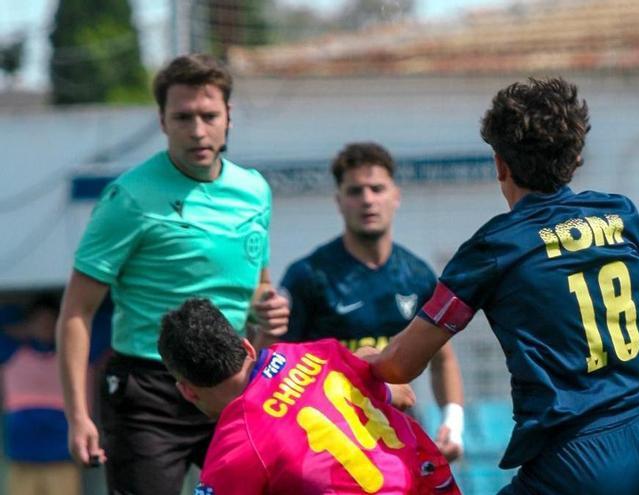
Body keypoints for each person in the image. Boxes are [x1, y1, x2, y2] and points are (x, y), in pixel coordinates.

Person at [364, 77, 639, 495]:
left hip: (578, 464)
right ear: (576, 158)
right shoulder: (620, 217)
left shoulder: (495, 247)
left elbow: (401, 364)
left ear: (500, 165)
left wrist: (368, 361)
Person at [56, 53, 290, 495]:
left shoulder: (254, 190)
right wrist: (77, 415)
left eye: (208, 115)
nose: (198, 130)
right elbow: (76, 311)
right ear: (162, 121)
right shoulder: (128, 198)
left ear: (229, 117)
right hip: (147, 392)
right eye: (183, 117)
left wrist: (270, 309)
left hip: (232, 385)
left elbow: (260, 286)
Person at [277, 142, 465, 460]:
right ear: (339, 201)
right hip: (329, 447)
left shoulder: (417, 275)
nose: (367, 200)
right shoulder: (308, 276)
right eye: (355, 191)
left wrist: (453, 426)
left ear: (396, 196)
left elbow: (443, 358)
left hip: (400, 445)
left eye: (377, 188)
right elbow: (279, 368)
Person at [158, 297, 460, 494]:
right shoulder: (319, 352)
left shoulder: (235, 443)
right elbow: (404, 396)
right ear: (247, 347)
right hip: (429, 480)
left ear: (187, 390)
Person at [0, 294, 83, 495]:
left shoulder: (74, 354)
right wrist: (22, 325)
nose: (44, 326)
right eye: (39, 321)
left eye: (50, 321)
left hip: (62, 457)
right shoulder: (11, 351)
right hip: (22, 458)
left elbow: (103, 316)